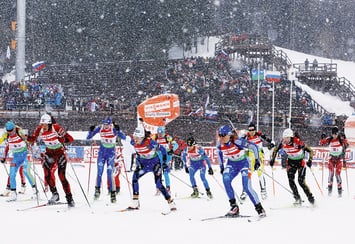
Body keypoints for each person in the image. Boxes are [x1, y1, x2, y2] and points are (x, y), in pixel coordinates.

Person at [117, 125, 176, 211]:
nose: (135, 139)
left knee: (159, 184)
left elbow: (162, 150)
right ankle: (135, 202)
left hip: (155, 164)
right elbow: (124, 137)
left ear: (142, 137)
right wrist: (118, 130)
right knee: (134, 178)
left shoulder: (150, 142)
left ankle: (170, 202)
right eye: (135, 137)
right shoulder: (133, 141)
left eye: (138, 138)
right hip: (144, 165)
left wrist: (164, 163)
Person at [216, 125, 266, 218]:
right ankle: (234, 207)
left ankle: (259, 208)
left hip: (244, 163)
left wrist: (257, 160)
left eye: (223, 135)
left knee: (246, 186)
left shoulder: (237, 141)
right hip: (232, 164)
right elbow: (219, 153)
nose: (221, 137)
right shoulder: (219, 144)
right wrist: (221, 167)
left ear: (229, 134)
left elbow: (254, 147)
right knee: (225, 179)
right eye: (220, 135)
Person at [27, 113, 75, 207]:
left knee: (61, 176)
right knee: (47, 174)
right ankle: (55, 194)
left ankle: (69, 198)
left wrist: (62, 139)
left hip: (60, 153)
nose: (43, 126)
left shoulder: (56, 128)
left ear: (49, 124)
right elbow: (33, 139)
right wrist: (26, 137)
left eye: (45, 124)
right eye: (42, 124)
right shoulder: (39, 129)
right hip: (49, 154)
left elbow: (70, 139)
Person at [269, 128, 315, 206]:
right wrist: (273, 159)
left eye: (287, 138)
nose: (285, 140)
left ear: (291, 137)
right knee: (291, 181)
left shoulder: (297, 142)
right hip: (291, 162)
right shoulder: (283, 143)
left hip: (300, 162)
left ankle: (311, 199)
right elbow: (275, 150)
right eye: (284, 138)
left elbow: (310, 150)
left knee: (301, 182)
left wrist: (310, 160)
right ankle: (297, 198)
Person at [0, 121, 38, 201]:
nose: (10, 133)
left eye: (11, 131)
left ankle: (35, 192)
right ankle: (13, 194)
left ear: (14, 128)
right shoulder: (6, 135)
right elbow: (4, 144)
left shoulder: (19, 131)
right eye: (8, 131)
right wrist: (4, 157)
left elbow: (29, 139)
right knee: (12, 173)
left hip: (25, 155)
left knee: (26, 171)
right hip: (16, 157)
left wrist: (32, 145)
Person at [86, 117, 120, 203]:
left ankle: (113, 194)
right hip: (102, 154)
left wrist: (118, 130)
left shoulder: (113, 129)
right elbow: (88, 137)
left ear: (110, 124)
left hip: (111, 154)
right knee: (99, 172)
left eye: (107, 125)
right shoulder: (100, 128)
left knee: (109, 173)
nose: (105, 126)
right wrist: (90, 130)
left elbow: (122, 137)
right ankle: (97, 191)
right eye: (104, 124)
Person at [239, 122, 274, 201]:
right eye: (250, 130)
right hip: (250, 156)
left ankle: (263, 191)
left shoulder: (259, 135)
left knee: (260, 174)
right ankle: (245, 191)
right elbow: (239, 143)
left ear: (255, 130)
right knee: (247, 174)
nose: (251, 132)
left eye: (253, 130)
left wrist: (271, 144)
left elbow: (272, 142)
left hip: (259, 156)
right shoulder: (246, 136)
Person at [319, 126, 349, 197]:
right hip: (331, 159)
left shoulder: (340, 139)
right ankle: (329, 191)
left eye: (335, 134)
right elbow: (321, 143)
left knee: (337, 174)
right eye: (333, 134)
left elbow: (347, 144)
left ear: (337, 133)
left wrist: (345, 139)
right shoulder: (329, 139)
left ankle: (340, 191)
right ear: (331, 134)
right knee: (331, 173)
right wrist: (322, 138)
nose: (334, 135)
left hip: (339, 159)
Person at [152, 126, 178, 194]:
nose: (160, 135)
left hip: (167, 157)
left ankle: (168, 188)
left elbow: (176, 145)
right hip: (158, 157)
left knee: (166, 173)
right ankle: (158, 188)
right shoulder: (155, 137)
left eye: (161, 134)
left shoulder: (167, 137)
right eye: (159, 133)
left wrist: (172, 150)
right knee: (158, 173)